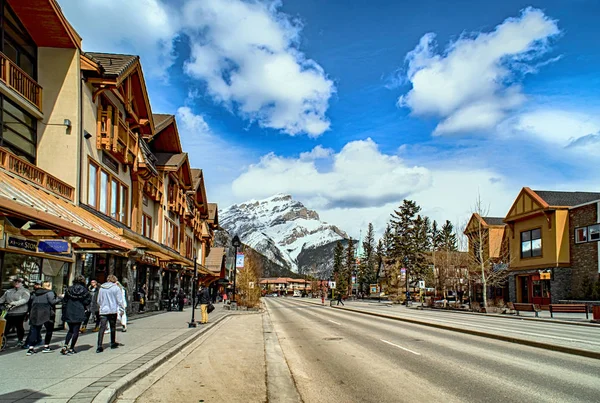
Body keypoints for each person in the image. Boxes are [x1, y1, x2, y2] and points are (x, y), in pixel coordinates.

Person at [25, 281, 60, 355]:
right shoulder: (50, 293)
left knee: (34, 330)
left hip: (35, 313)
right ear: (49, 285)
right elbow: (52, 302)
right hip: (47, 313)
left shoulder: (35, 293)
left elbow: (30, 302)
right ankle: (46, 346)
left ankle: (31, 348)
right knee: (49, 330)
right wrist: (60, 298)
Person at [61, 275, 91, 355]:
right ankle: (71, 348)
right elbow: (87, 301)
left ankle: (65, 345)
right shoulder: (85, 290)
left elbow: (64, 300)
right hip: (79, 310)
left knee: (70, 330)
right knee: (76, 331)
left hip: (69, 310)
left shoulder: (69, 289)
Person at [96, 275, 125, 353]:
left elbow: (98, 300)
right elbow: (120, 301)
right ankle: (112, 342)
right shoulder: (116, 288)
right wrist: (122, 310)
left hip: (103, 310)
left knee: (102, 327)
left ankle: (99, 346)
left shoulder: (101, 288)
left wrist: (101, 306)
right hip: (112, 310)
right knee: (112, 326)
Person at [0, 278, 30, 347]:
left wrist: (14, 303)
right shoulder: (9, 291)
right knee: (5, 327)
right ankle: (2, 340)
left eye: (19, 282)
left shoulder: (25, 291)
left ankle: (20, 340)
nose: (16, 283)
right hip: (9, 312)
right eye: (15, 281)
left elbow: (24, 300)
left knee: (19, 326)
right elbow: (2, 299)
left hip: (20, 312)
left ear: (22, 283)